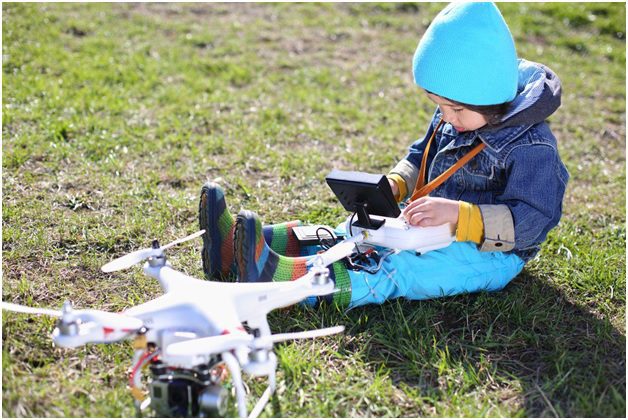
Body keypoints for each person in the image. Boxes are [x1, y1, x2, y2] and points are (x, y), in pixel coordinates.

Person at [199, 2, 569, 309]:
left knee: (396, 268)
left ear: (489, 98)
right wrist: (394, 183)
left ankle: (285, 281)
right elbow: (420, 155)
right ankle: (236, 246)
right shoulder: (459, 114)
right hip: (422, 229)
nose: (445, 117)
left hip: (488, 254)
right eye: (437, 106)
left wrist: (461, 217)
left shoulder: (531, 148)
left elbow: (535, 219)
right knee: (351, 233)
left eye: (454, 109)